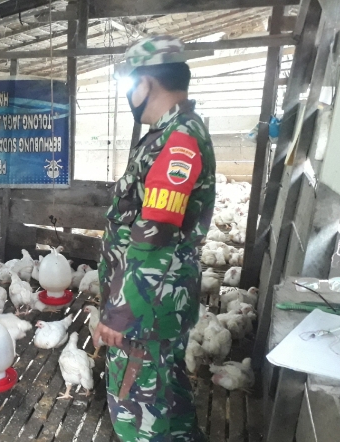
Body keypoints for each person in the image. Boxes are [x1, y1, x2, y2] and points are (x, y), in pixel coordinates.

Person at [92, 36, 215, 442]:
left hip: (145, 308)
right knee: (168, 396)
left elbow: (154, 239)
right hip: (158, 302)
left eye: (128, 84)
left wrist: (119, 315)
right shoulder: (173, 132)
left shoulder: (177, 139)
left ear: (144, 82)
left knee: (136, 413)